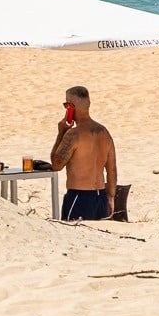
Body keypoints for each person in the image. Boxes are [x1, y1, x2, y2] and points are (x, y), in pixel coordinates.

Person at [49, 87, 118, 222]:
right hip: (101, 197)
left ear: (70, 107)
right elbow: (112, 169)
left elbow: (56, 164)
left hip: (79, 196)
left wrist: (61, 133)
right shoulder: (104, 132)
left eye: (65, 105)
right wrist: (111, 197)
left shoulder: (73, 135)